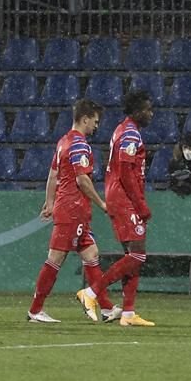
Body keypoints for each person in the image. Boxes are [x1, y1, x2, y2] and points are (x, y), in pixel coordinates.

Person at [28, 99, 121, 324]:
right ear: (85, 119)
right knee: (55, 259)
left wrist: (50, 202)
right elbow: (82, 180)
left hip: (71, 209)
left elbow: (53, 175)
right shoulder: (80, 145)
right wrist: (103, 204)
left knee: (91, 254)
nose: (96, 126)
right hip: (72, 210)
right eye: (95, 122)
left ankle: (107, 307)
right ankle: (35, 310)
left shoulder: (63, 142)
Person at [76, 90, 156, 327]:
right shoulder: (130, 133)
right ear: (136, 110)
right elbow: (125, 172)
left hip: (119, 196)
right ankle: (91, 293)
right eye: (147, 109)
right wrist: (140, 204)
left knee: (132, 256)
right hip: (124, 198)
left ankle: (128, 314)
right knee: (138, 254)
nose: (150, 114)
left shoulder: (124, 130)